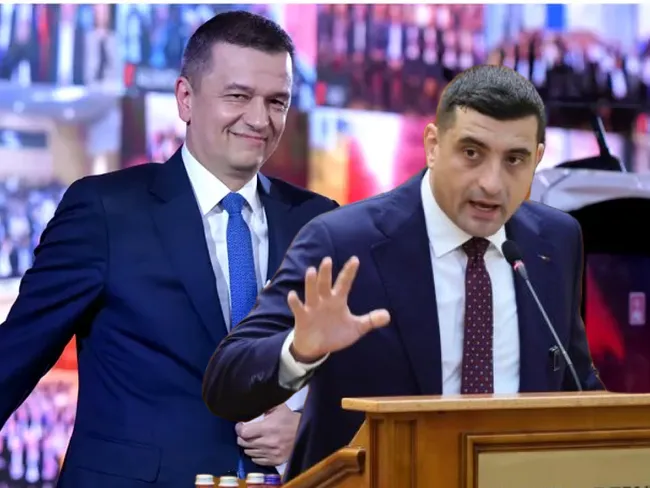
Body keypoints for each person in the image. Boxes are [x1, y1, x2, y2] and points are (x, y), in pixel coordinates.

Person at [202, 64, 605, 481]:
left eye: (514, 160)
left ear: (537, 159)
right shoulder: (343, 242)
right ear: (433, 145)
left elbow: (575, 384)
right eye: (471, 153)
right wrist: (299, 350)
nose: (491, 183)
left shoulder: (554, 242)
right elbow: (225, 382)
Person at [0, 10, 338, 487]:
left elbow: (360, 374)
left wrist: (309, 426)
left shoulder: (317, 221)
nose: (259, 119)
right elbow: (14, 356)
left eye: (276, 101)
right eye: (238, 96)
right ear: (185, 98)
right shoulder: (105, 210)